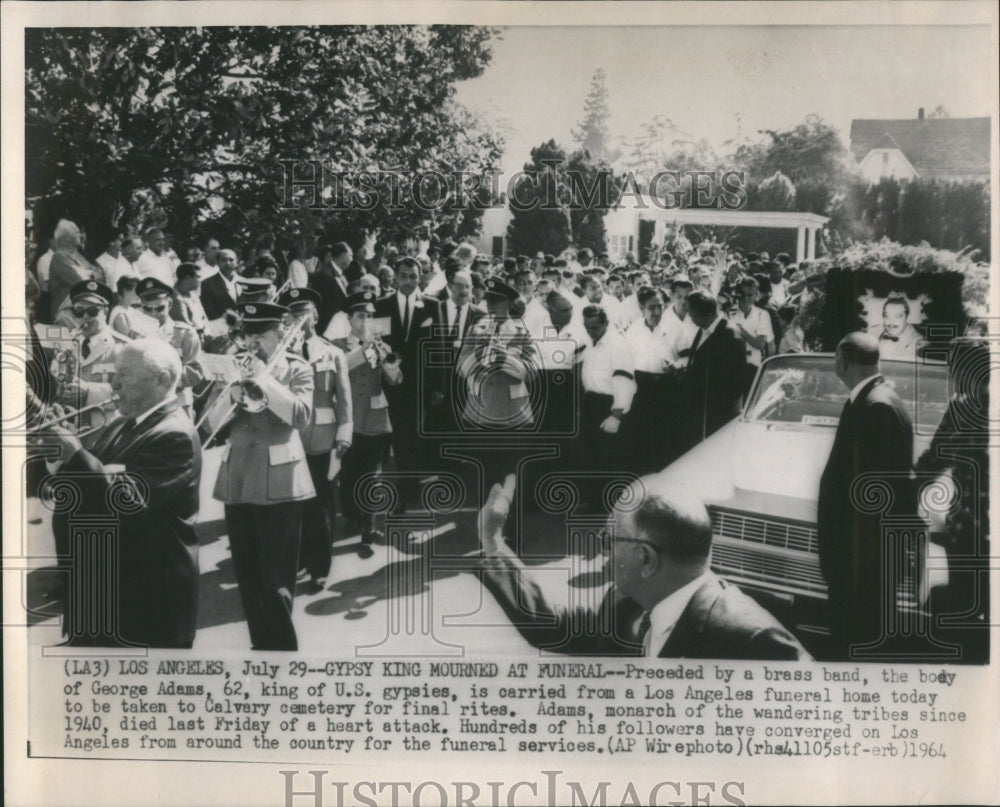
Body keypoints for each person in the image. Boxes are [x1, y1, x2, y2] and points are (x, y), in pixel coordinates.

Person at [476, 475, 810, 659]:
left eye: (610, 539)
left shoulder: (755, 642)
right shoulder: (627, 605)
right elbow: (555, 627)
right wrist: (494, 543)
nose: (602, 551)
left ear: (646, 560)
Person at [43, 338, 201, 647]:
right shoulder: (123, 422)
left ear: (162, 380)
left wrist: (76, 453)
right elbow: (88, 484)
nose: (114, 382)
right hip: (105, 594)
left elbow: (128, 503)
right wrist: (59, 453)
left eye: (126, 374)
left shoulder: (175, 434)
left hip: (144, 604)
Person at [213, 301, 315, 649]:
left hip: (280, 482)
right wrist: (232, 388)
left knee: (276, 581)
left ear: (280, 333)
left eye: (262, 335)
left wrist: (265, 381)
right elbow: (211, 426)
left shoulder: (296, 368)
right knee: (248, 577)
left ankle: (282, 650)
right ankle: (262, 646)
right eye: (249, 335)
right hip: (238, 478)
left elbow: (301, 416)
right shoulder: (234, 368)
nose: (253, 342)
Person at [817, 332, 914, 659]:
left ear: (842, 361)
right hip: (862, 563)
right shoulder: (876, 399)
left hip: (862, 567)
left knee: (854, 648)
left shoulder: (876, 409)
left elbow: (872, 503)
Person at [278, 287, 352, 589]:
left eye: (304, 312)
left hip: (322, 438)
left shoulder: (332, 353)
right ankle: (298, 560)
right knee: (294, 504)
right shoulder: (281, 355)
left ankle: (320, 565)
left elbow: (344, 400)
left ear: (316, 316)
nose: (299, 318)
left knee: (321, 504)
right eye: (293, 314)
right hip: (290, 437)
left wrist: (345, 435)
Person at [333, 291, 403, 557]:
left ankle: (369, 527)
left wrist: (390, 362)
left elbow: (396, 380)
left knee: (373, 475)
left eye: (370, 316)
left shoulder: (381, 344)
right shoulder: (337, 345)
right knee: (350, 473)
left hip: (375, 418)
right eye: (361, 315)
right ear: (349, 319)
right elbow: (342, 366)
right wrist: (365, 348)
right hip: (349, 418)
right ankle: (353, 513)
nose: (366, 320)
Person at [374, 257, 442, 510]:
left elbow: (438, 348)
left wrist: (438, 386)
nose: (408, 281)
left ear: (420, 277)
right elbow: (375, 344)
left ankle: (407, 493)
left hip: (419, 385)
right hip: (388, 382)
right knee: (388, 439)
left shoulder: (433, 306)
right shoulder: (381, 305)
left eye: (413, 276)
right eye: (403, 275)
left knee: (409, 438)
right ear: (395, 277)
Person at [57, 280, 128, 435]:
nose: (85, 317)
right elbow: (57, 388)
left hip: (107, 434)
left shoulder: (124, 347)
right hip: (73, 432)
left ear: (106, 311)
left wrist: (89, 391)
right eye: (78, 312)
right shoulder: (65, 345)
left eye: (92, 311)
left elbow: (131, 392)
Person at [680, 290, 746, 450]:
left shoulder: (730, 335)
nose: (690, 317)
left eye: (692, 314)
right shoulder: (704, 329)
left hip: (717, 415)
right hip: (700, 410)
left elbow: (736, 381)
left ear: (702, 313)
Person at [136, 278, 203, 415]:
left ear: (170, 304)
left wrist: (163, 379)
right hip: (145, 404)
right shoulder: (135, 335)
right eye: (147, 309)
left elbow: (196, 372)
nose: (153, 313)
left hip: (177, 403)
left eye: (160, 308)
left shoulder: (185, 333)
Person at [729, 276, 775, 393]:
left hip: (753, 367)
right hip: (732, 367)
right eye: (742, 294)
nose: (746, 298)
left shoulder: (762, 315)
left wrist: (741, 329)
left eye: (750, 294)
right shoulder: (728, 313)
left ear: (756, 295)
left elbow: (760, 344)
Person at [48, 219, 97, 324]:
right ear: (67, 237)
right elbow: (80, 283)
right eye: (77, 232)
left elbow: (99, 274)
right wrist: (91, 275)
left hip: (81, 312)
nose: (81, 236)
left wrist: (90, 276)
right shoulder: (59, 257)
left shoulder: (76, 255)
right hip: (66, 315)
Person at [309, 242, 353, 332]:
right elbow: (317, 304)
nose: (351, 259)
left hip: (339, 327)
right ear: (343, 255)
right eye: (350, 256)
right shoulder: (323, 275)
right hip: (326, 328)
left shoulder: (342, 276)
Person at [869, 296, 920, 361]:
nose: (891, 321)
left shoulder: (918, 344)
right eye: (886, 316)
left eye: (897, 316)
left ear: (907, 318)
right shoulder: (872, 332)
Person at [200, 247, 242, 321]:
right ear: (217, 262)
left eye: (231, 260)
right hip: (221, 327)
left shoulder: (244, 282)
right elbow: (209, 311)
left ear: (237, 262)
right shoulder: (207, 284)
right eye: (224, 260)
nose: (228, 263)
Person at [171, 262, 209, 336]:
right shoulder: (175, 298)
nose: (200, 280)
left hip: (203, 335)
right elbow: (185, 327)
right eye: (198, 277)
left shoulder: (193, 294)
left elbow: (204, 319)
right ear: (187, 278)